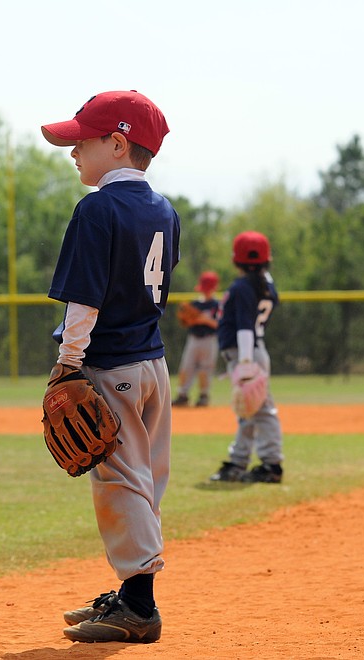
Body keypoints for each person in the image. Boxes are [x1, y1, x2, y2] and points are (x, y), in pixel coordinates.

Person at [40, 90, 180, 644]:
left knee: (120, 482)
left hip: (111, 364)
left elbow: (85, 302)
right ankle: (129, 592)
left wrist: (66, 365)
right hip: (154, 364)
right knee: (146, 481)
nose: (73, 152)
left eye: (81, 142)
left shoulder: (97, 208)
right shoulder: (164, 209)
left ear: (117, 144)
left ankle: (139, 605)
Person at [209, 231, 284, 484]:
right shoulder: (265, 285)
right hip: (252, 352)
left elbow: (244, 326)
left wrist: (245, 362)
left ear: (235, 259)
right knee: (247, 411)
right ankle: (239, 461)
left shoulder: (242, 287)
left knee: (261, 410)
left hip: (247, 354)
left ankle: (272, 464)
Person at [172, 271, 220, 407]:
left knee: (206, 368)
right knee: (186, 366)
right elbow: (186, 322)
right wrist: (191, 319)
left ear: (214, 288)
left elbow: (220, 325)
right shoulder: (195, 304)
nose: (205, 292)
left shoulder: (217, 305)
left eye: (208, 289)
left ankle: (204, 395)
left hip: (209, 340)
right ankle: (182, 395)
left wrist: (205, 320)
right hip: (194, 339)